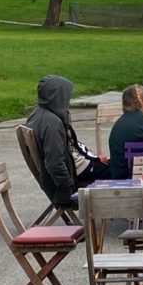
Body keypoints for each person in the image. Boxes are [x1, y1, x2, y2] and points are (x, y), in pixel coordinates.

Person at [26, 74, 110, 207]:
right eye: (65, 96)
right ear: (57, 96)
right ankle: (117, 208)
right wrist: (67, 186)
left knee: (109, 164)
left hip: (74, 164)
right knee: (119, 169)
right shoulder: (52, 124)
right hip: (74, 172)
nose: (68, 100)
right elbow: (55, 163)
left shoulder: (36, 116)